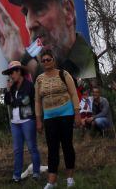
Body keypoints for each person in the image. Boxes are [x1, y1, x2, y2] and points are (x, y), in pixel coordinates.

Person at [0, 0, 97, 79]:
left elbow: (62, 85)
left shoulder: (87, 66)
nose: (29, 24)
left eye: (39, 9)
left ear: (68, 12)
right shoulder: (40, 48)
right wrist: (20, 58)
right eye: (25, 13)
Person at [34, 49, 81, 189]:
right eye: (43, 60)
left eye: (49, 59)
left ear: (53, 60)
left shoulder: (64, 74)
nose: (46, 62)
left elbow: (73, 94)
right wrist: (38, 120)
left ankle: (70, 178)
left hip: (66, 114)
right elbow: (37, 101)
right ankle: (51, 181)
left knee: (67, 145)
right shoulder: (39, 79)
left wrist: (77, 114)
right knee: (52, 148)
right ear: (41, 63)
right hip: (49, 117)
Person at [3, 60, 41, 183]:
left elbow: (25, 101)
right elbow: (7, 102)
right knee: (17, 150)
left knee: (32, 148)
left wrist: (15, 101)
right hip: (15, 122)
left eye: (12, 72)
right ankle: (16, 176)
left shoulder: (29, 85)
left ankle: (36, 173)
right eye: (9, 73)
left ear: (19, 71)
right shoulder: (12, 87)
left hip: (27, 120)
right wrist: (8, 91)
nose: (10, 75)